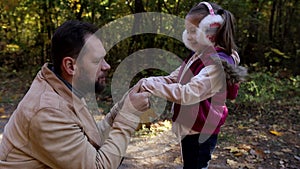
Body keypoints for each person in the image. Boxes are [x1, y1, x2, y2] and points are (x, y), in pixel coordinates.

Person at [0, 20, 150, 169]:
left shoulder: (65, 89)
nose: (107, 66)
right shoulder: (48, 112)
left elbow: (92, 140)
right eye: (97, 60)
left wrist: (122, 108)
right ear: (70, 66)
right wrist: (128, 116)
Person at [139, 2, 247, 169]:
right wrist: (149, 82)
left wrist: (151, 86)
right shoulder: (199, 55)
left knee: (195, 165)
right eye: (187, 31)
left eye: (193, 31)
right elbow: (175, 78)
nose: (188, 36)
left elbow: (188, 93)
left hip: (201, 130)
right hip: (192, 127)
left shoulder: (215, 66)